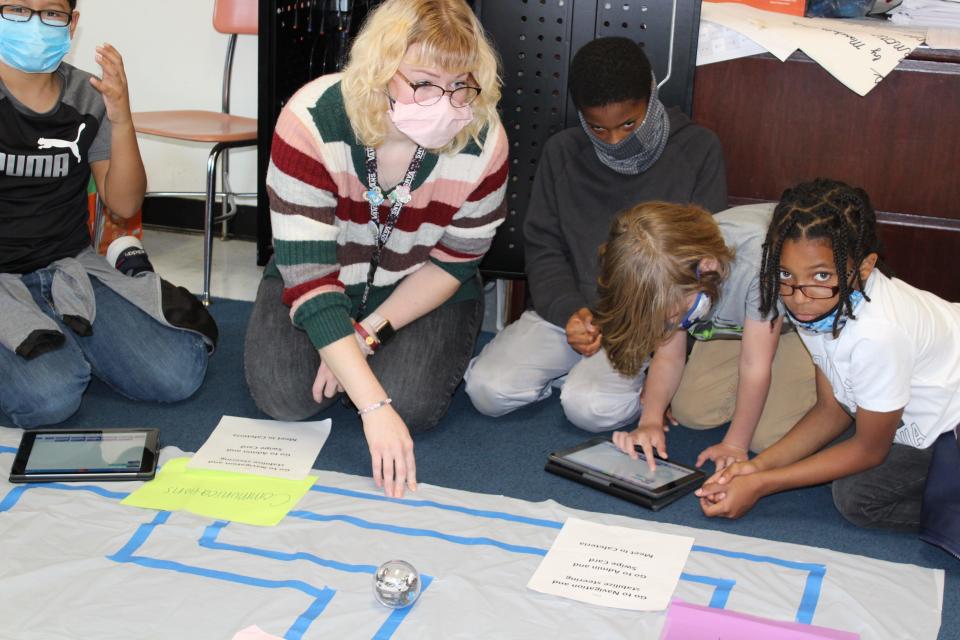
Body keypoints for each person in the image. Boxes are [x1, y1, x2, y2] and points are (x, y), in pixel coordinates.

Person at [244, 0, 508, 499]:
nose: (446, 103)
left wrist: (359, 340)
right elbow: (311, 280)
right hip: (320, 279)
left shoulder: (484, 139)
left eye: (461, 85)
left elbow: (454, 262)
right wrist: (372, 406)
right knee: (284, 398)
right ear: (381, 68)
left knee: (410, 404)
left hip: (421, 286)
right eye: (424, 82)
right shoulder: (310, 120)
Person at [464, 37, 727, 431]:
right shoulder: (562, 152)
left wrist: (654, 330)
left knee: (589, 408)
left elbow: (704, 263)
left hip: (646, 322)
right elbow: (544, 248)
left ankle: (614, 382)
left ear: (651, 97)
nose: (616, 141)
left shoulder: (698, 148)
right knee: (487, 391)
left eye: (627, 124)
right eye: (597, 128)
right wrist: (570, 312)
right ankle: (575, 375)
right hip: (572, 314)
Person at [697, 179, 960, 557]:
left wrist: (763, 484)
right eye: (785, 275)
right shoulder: (818, 305)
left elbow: (870, 450)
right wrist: (755, 468)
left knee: (857, 497)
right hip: (918, 389)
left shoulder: (877, 334)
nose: (799, 297)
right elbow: (832, 408)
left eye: (821, 276)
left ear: (865, 267)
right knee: (818, 453)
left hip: (951, 420)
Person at [0, 0, 216, 428]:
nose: (36, 25)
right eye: (17, 10)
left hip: (69, 268)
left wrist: (121, 118)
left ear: (72, 22)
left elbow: (124, 204)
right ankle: (59, 346)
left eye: (52, 13)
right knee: (50, 399)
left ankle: (126, 274)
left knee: (177, 373)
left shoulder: (87, 94)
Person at [598, 202, 816, 470]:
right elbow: (668, 357)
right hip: (744, 326)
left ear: (708, 267)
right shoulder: (668, 274)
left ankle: (833, 394)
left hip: (803, 326)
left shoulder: (758, 266)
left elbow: (754, 367)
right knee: (691, 412)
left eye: (676, 316)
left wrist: (735, 444)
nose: (669, 324)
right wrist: (650, 421)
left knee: (766, 438)